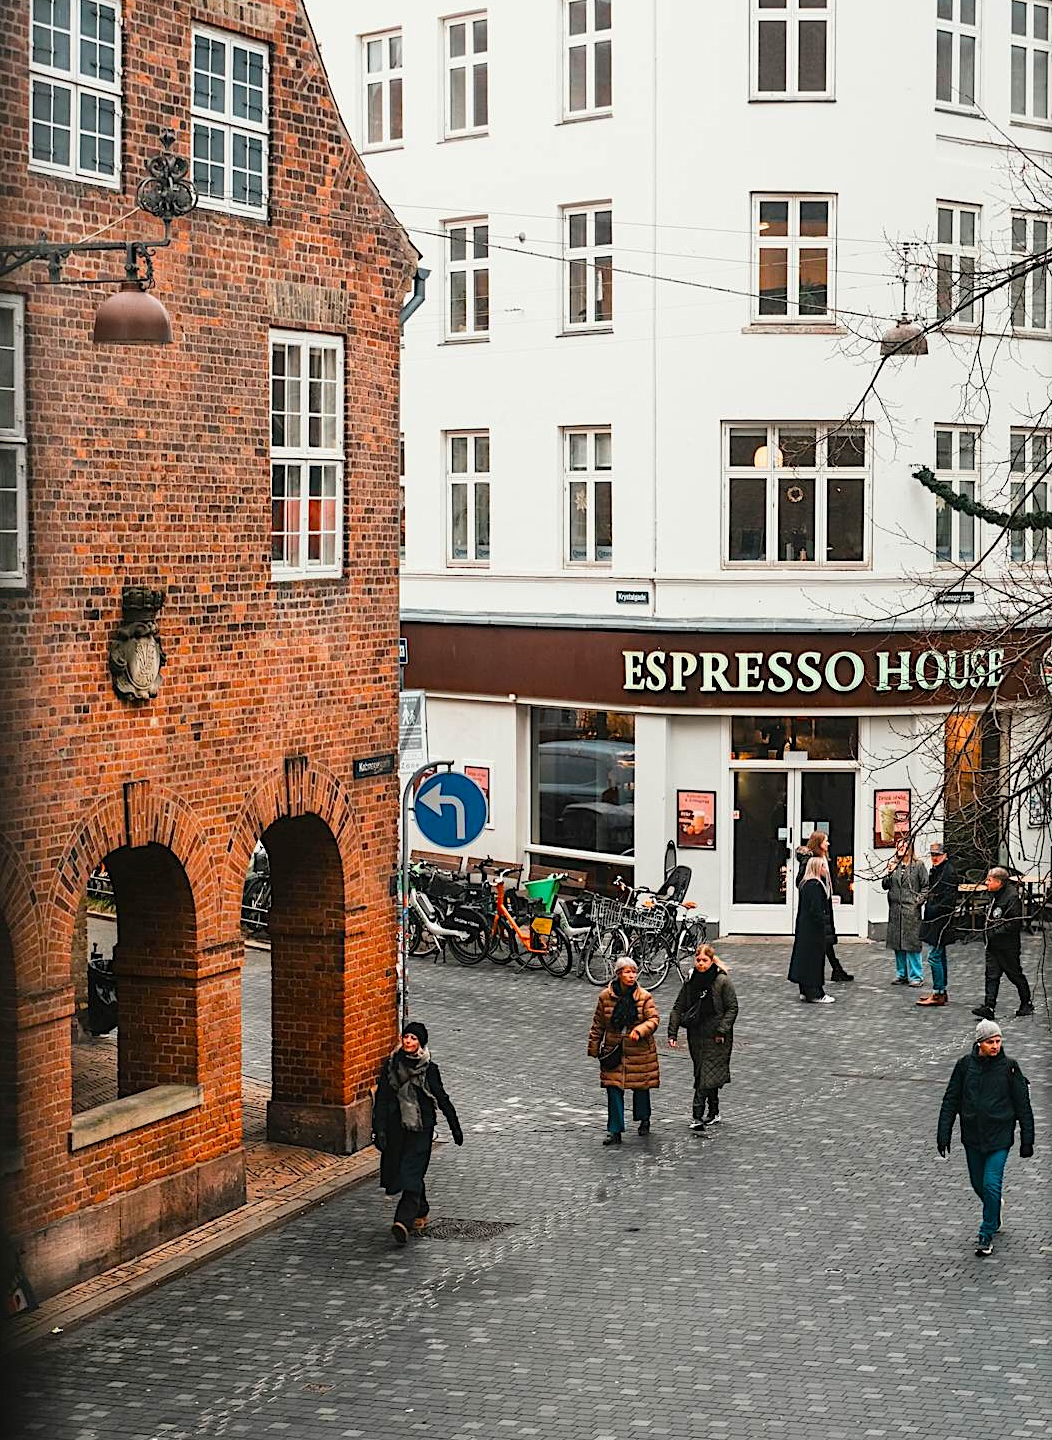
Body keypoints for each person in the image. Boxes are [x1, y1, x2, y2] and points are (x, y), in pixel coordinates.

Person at [937, 1018, 1035, 1257]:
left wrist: (1027, 1139)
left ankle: (986, 1232)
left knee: (991, 1183)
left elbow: (1023, 1105)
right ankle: (994, 1206)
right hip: (972, 1137)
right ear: (979, 1043)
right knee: (978, 1183)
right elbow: (951, 1100)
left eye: (998, 1041)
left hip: (1000, 1138)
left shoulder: (1010, 1068)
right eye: (991, 1041)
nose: (995, 1045)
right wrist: (944, 1132)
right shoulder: (964, 1066)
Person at [372, 1020, 463, 1245]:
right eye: (406, 1037)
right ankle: (421, 1209)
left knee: (411, 1173)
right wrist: (379, 1129)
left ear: (420, 1043)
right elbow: (382, 1098)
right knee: (401, 1171)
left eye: (413, 1038)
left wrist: (455, 1126)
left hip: (421, 1128)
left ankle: (402, 1222)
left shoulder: (429, 1069)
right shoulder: (392, 1065)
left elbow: (441, 1097)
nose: (408, 1041)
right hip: (397, 1128)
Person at [587, 954, 660, 1145]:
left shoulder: (644, 997)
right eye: (628, 972)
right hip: (614, 1050)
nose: (632, 976)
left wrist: (639, 1030)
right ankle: (614, 1129)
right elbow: (598, 1024)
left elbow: (653, 1020)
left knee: (641, 1087)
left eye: (634, 972)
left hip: (639, 1051)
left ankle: (644, 1119)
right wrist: (594, 1047)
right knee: (613, 1089)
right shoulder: (605, 997)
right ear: (618, 974)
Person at [667, 944, 738, 1130]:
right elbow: (678, 1006)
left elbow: (732, 1008)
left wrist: (722, 1030)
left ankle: (697, 1115)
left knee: (705, 1075)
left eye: (704, 960)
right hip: (696, 1035)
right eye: (698, 960)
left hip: (717, 1037)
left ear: (711, 960)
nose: (700, 964)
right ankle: (713, 1112)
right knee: (705, 1073)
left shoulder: (722, 981)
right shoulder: (691, 981)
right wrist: (672, 1032)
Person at [972, 868, 1034, 1020]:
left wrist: (993, 932)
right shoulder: (995, 895)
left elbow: (1014, 923)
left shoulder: (1011, 897)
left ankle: (1026, 1003)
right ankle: (989, 1006)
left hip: (1007, 947)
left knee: (1014, 974)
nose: (986, 883)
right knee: (991, 976)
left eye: (989, 880)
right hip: (993, 945)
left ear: (999, 882)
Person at [794, 831, 854, 982]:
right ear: (818, 843)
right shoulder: (811, 860)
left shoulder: (824, 858)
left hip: (825, 901)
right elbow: (800, 881)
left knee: (826, 938)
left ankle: (836, 969)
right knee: (823, 938)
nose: (828, 843)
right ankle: (834, 969)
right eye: (825, 841)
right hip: (818, 902)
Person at [788, 856, 836, 1004]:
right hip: (813, 930)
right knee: (814, 960)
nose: (825, 870)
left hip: (804, 928)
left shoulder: (805, 884)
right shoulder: (815, 886)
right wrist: (823, 923)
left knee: (805, 958)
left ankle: (805, 990)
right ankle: (816, 993)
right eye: (823, 867)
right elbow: (816, 910)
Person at [917, 842, 958, 1007]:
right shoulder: (938, 870)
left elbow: (949, 899)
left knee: (934, 956)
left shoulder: (948, 872)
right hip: (937, 918)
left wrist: (933, 908)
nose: (934, 858)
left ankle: (938, 992)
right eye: (933, 855)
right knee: (939, 955)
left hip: (940, 919)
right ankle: (940, 991)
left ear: (945, 855)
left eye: (937, 855)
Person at [881, 839, 928, 986]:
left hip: (911, 910)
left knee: (912, 944)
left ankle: (916, 976)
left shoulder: (918, 866)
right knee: (898, 944)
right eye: (898, 846)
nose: (900, 848)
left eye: (904, 846)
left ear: (910, 848)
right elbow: (884, 885)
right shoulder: (894, 864)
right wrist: (888, 872)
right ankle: (901, 974)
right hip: (895, 910)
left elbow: (926, 887)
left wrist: (917, 901)